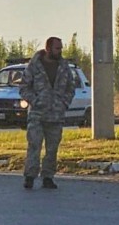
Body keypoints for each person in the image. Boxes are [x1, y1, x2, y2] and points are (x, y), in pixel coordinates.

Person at [19, 37, 76, 190]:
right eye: (58, 48)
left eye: (61, 48)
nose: (60, 51)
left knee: (52, 148)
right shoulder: (34, 66)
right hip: (37, 114)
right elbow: (24, 87)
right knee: (34, 145)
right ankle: (30, 176)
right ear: (48, 49)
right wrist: (35, 100)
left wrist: (64, 103)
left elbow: (71, 88)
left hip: (56, 115)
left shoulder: (64, 66)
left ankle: (48, 177)